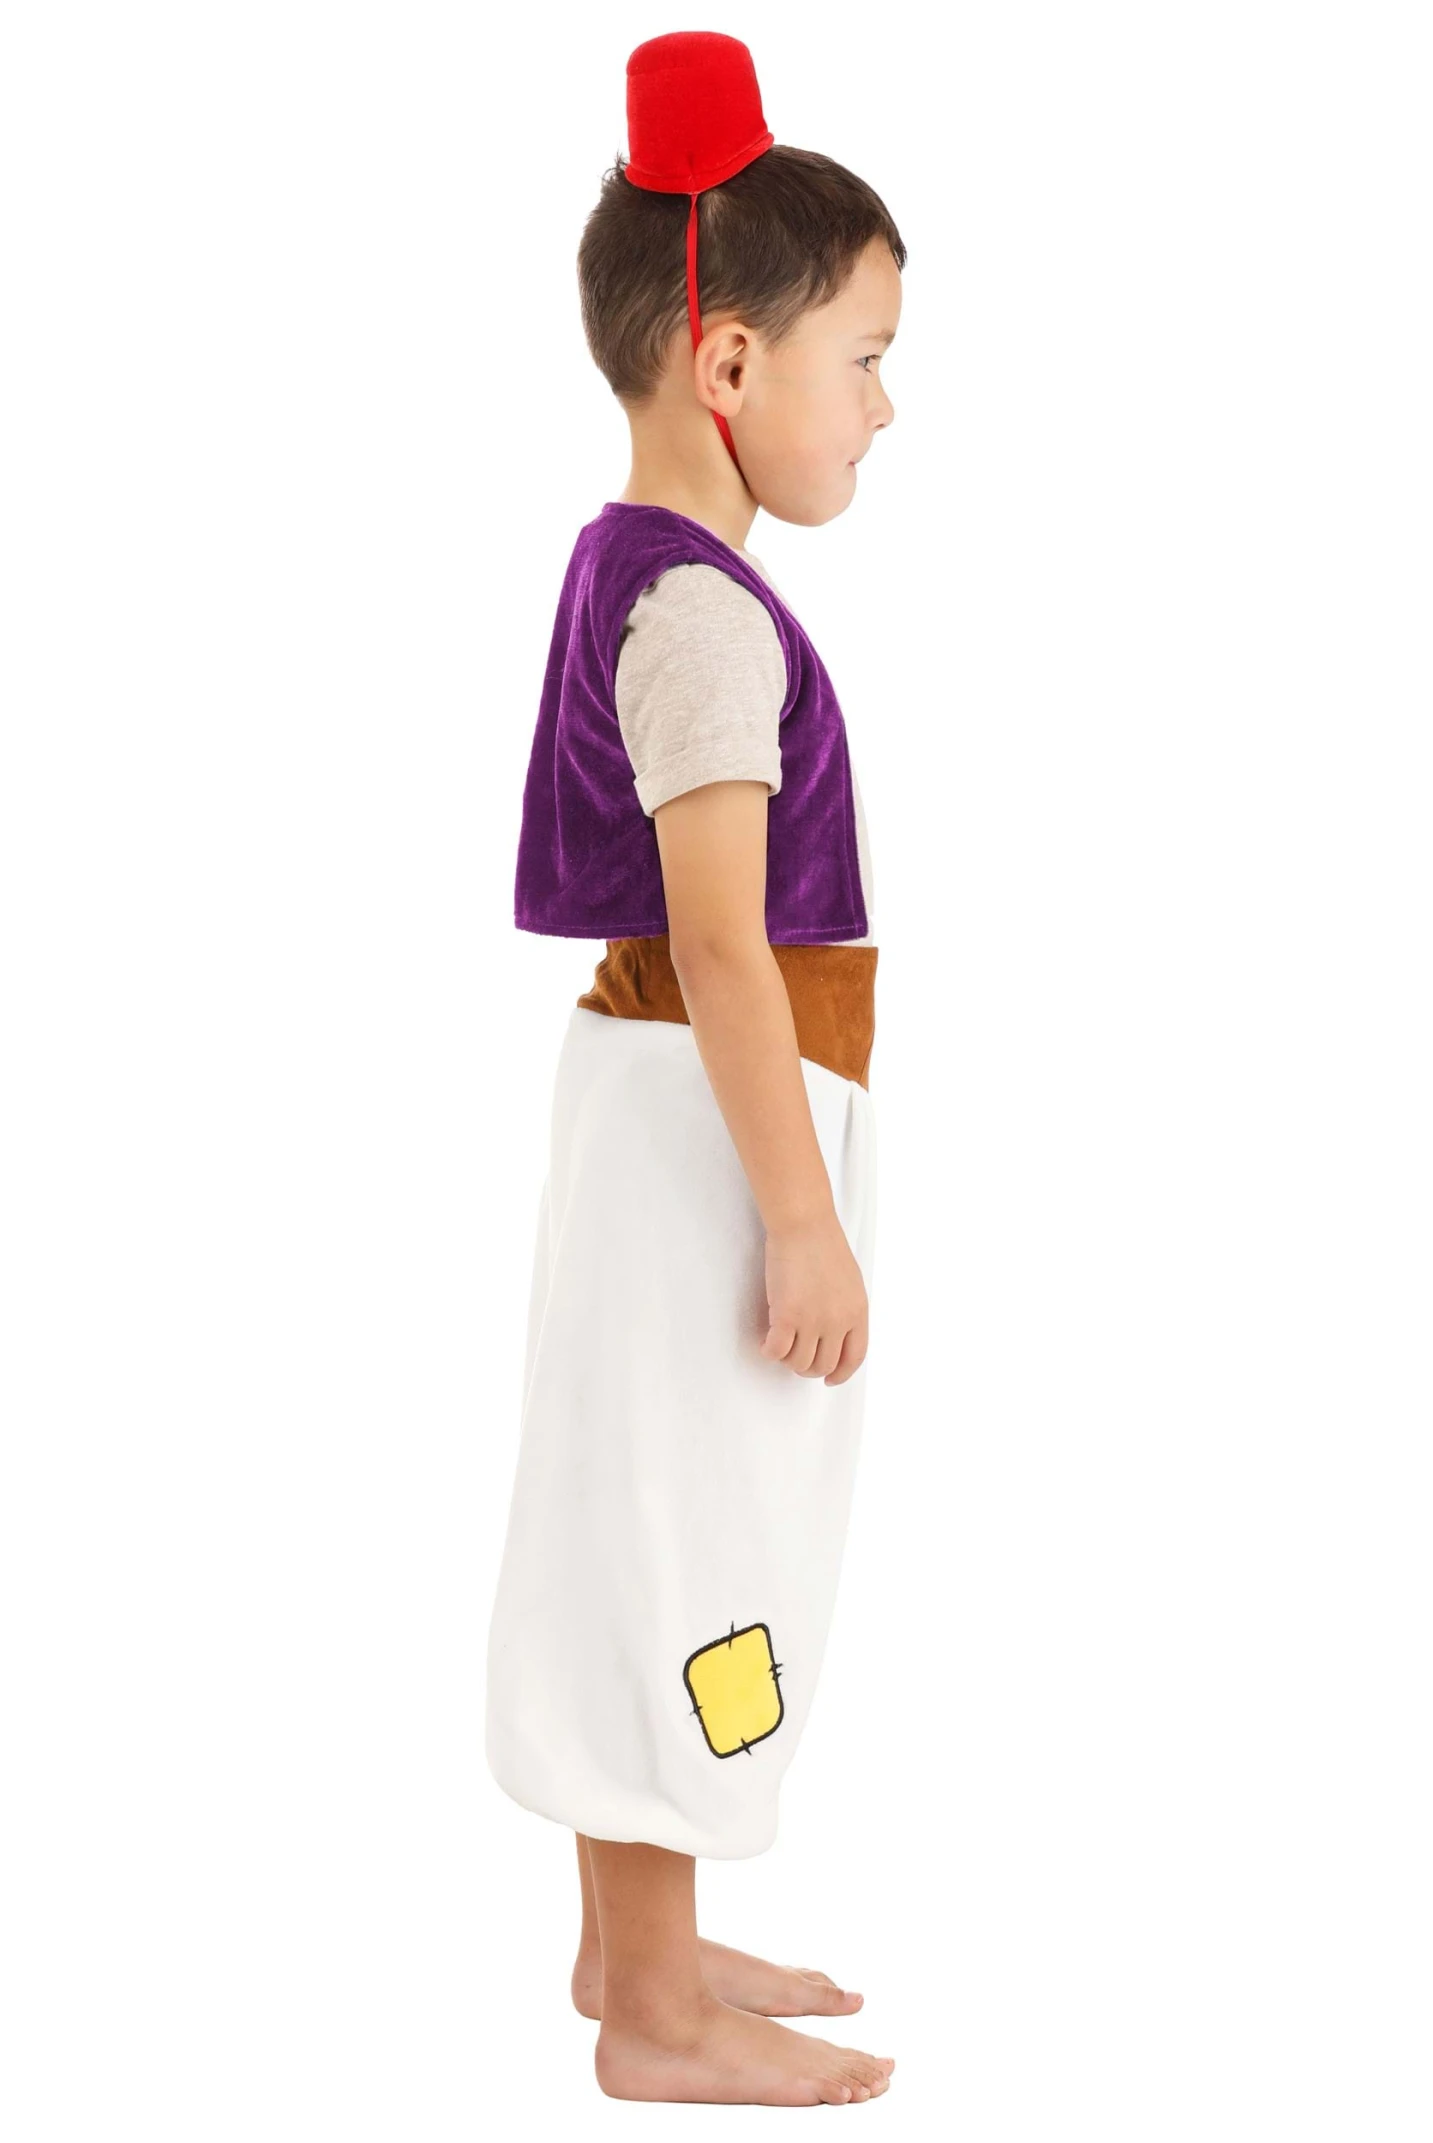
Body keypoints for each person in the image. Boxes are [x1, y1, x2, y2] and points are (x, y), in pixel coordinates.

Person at [484, 33, 905, 2108]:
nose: (885, 406)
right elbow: (723, 939)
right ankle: (652, 2014)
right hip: (713, 1140)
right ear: (729, 362)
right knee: (690, 1540)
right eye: (865, 359)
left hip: (677, 1116)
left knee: (656, 1521)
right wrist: (802, 1218)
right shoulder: (706, 622)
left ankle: (630, 1938)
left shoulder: (644, 574)